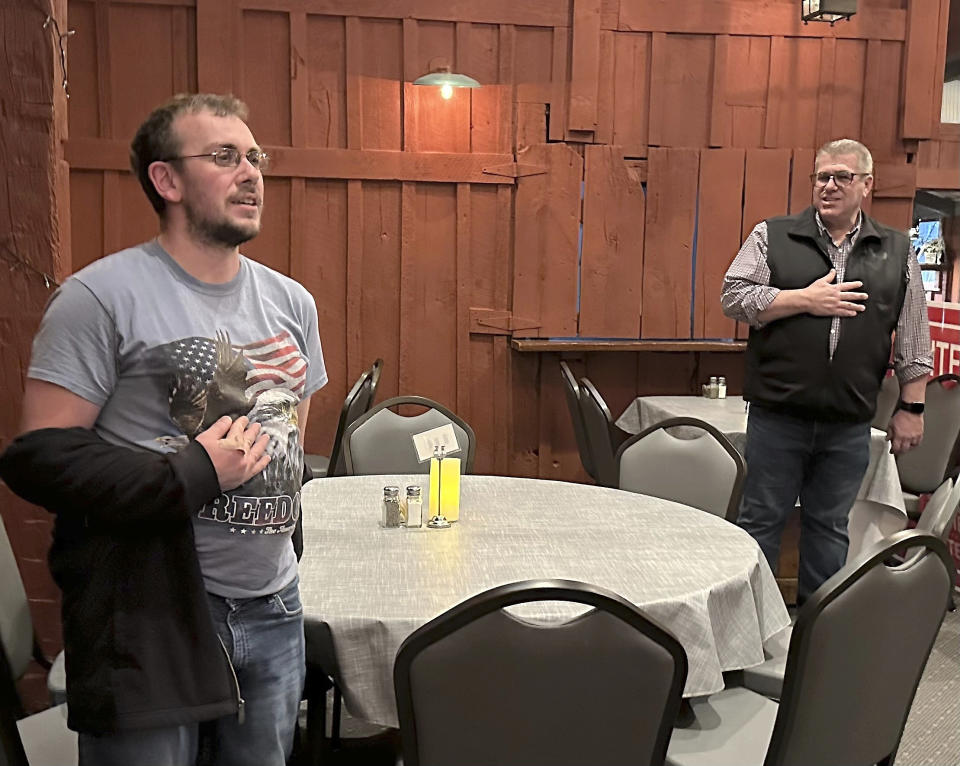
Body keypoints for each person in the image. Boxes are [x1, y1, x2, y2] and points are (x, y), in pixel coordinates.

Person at [0, 93, 326, 765]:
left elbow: (292, 435)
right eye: (225, 156)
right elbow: (41, 458)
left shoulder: (292, 302)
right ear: (166, 179)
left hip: (273, 605)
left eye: (254, 156)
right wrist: (194, 473)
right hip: (154, 615)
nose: (251, 173)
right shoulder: (100, 297)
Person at [722, 138, 932, 605]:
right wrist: (803, 300)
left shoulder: (896, 251)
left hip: (849, 423)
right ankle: (750, 634)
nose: (830, 185)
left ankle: (817, 641)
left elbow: (915, 338)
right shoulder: (772, 235)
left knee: (829, 529)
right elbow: (733, 296)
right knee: (759, 524)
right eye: (822, 176)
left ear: (866, 185)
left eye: (842, 176)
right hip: (779, 416)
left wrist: (912, 407)